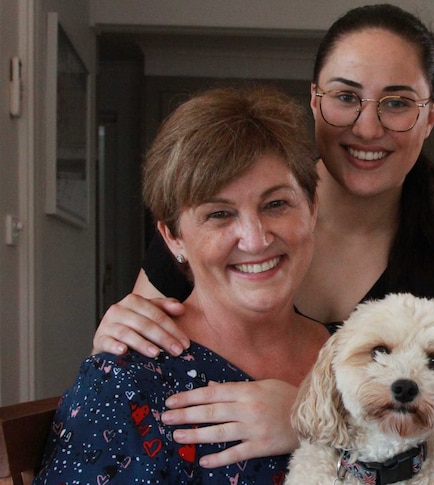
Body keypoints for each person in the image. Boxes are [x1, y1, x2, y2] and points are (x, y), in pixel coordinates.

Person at [91, 3, 434, 469]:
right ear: (315, 100)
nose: (368, 127)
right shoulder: (224, 232)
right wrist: (117, 334)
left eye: (398, 103)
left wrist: (308, 420)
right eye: (346, 97)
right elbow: (132, 368)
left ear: (429, 117)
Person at [34, 86, 329, 483]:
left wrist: (315, 427)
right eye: (219, 214)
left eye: (276, 204)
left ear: (312, 208)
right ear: (173, 238)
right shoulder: (124, 382)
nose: (256, 239)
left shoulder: (360, 358)